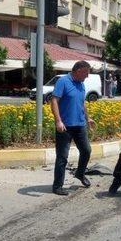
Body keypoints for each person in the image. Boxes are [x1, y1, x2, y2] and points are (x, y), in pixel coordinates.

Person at [50, 61, 96, 196]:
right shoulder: (63, 81)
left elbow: (82, 103)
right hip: (65, 126)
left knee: (86, 151)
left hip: (80, 125)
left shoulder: (81, 83)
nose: (87, 76)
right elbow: (54, 101)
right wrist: (58, 121)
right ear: (79, 70)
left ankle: (80, 174)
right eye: (86, 73)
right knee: (62, 157)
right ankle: (57, 186)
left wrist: (88, 118)